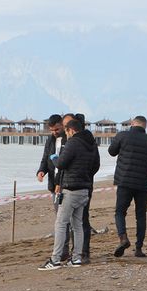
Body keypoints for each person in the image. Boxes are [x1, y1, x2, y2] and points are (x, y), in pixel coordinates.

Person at [39, 119, 100, 270]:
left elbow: (61, 164)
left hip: (71, 189)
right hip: (85, 188)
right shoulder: (91, 143)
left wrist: (54, 159)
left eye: (67, 132)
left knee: (61, 223)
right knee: (77, 225)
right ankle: (77, 258)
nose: (67, 135)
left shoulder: (73, 143)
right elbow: (96, 165)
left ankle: (55, 259)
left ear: (71, 130)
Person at [108, 116, 147, 258]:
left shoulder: (122, 135)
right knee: (141, 215)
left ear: (132, 124)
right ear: (145, 126)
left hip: (124, 181)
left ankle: (123, 238)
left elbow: (111, 151)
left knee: (120, 212)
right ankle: (139, 248)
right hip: (142, 183)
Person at [62, 113, 96, 264]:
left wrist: (82, 174)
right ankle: (77, 254)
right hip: (82, 184)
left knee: (72, 221)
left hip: (77, 186)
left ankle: (79, 253)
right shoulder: (87, 142)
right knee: (77, 222)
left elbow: (61, 164)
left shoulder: (78, 142)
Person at [36, 114, 70, 259]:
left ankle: (73, 251)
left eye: (56, 129)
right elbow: (45, 158)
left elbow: (66, 164)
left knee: (67, 220)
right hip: (53, 185)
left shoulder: (69, 140)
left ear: (62, 125)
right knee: (59, 219)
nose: (54, 132)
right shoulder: (50, 140)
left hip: (66, 183)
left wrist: (59, 183)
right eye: (51, 130)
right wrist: (41, 171)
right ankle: (63, 250)